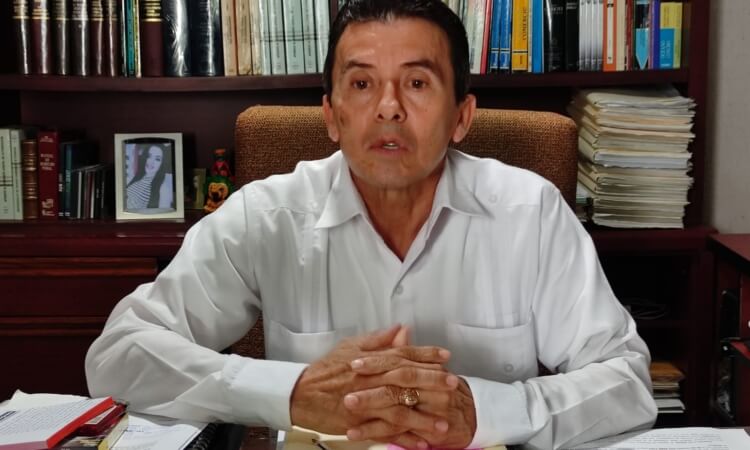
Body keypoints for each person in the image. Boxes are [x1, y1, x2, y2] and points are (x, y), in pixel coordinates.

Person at [86, 1, 657, 449]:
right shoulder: (267, 216)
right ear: (331, 116)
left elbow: (627, 381)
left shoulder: (529, 211)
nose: (388, 107)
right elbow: (117, 356)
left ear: (461, 117)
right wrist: (294, 392)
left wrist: (484, 410)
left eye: (417, 83)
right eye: (362, 84)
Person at [125, 143, 175, 212]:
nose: (150, 162)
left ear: (162, 164)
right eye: (149, 156)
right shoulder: (138, 176)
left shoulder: (163, 188)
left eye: (157, 159)